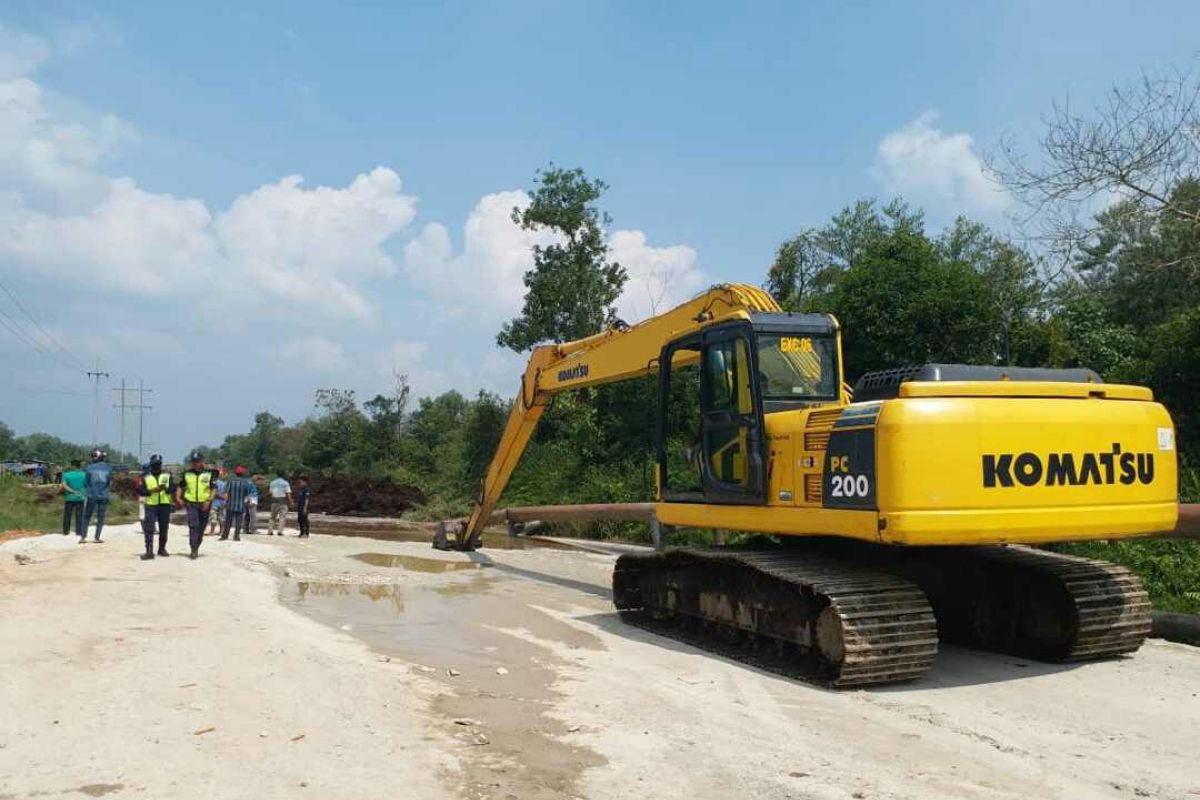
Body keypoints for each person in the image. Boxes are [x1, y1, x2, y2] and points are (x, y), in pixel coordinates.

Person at [175, 451, 215, 559]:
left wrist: (208, 500)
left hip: (205, 504)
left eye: (197, 461)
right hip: (191, 503)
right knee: (193, 526)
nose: (194, 463)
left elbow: (213, 489)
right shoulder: (187, 474)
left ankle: (197, 545)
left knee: (201, 527)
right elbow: (180, 486)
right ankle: (193, 549)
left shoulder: (208, 474)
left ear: (201, 462)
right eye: (193, 461)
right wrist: (178, 497)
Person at [139, 454, 174, 559]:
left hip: (164, 505)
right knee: (149, 528)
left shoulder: (167, 476)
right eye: (154, 464)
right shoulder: (146, 477)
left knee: (164, 528)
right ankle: (149, 551)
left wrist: (166, 489)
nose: (156, 467)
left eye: (158, 464)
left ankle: (162, 549)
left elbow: (173, 488)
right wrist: (153, 490)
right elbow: (142, 491)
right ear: (151, 465)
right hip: (151, 505)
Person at [81, 449, 114, 543]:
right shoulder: (109, 468)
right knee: (101, 517)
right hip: (104, 496)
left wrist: (89, 490)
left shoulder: (89, 468)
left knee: (87, 516)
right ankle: (97, 537)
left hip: (91, 495)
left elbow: (85, 483)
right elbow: (110, 482)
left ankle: (83, 537)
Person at [221, 465, 254, 541]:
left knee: (228, 521)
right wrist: (249, 502)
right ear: (243, 473)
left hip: (230, 504)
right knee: (238, 522)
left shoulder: (230, 481)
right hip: (240, 505)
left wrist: (224, 502)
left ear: (235, 473)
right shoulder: (245, 482)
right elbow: (247, 495)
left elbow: (226, 493)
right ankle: (236, 536)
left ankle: (225, 536)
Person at [61, 459, 86, 536]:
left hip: (69, 497)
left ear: (73, 466)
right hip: (80, 497)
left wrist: (71, 491)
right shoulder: (84, 474)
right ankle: (78, 531)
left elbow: (64, 485)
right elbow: (87, 485)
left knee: (67, 515)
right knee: (79, 515)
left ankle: (66, 531)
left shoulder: (67, 474)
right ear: (79, 466)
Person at [267, 470, 292, 536]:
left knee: (272, 517)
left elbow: (270, 493)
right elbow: (288, 493)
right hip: (282, 501)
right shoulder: (285, 483)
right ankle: (280, 531)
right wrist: (291, 501)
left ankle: (270, 531)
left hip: (274, 501)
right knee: (282, 517)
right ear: (283, 475)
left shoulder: (272, 482)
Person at [207, 468, 227, 536]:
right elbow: (226, 494)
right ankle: (221, 531)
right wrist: (224, 499)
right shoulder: (223, 483)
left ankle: (212, 531)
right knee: (222, 518)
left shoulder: (211, 483)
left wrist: (216, 495)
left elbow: (212, 493)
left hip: (214, 503)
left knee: (213, 518)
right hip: (222, 503)